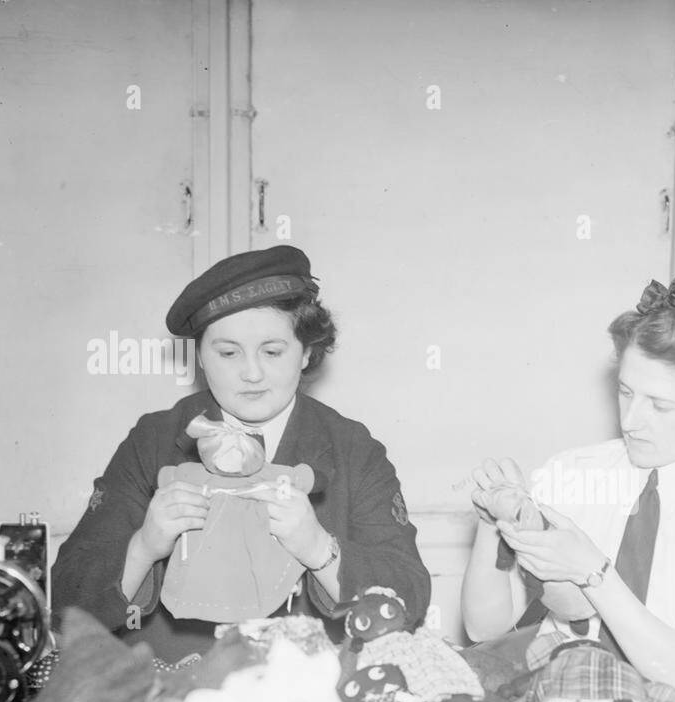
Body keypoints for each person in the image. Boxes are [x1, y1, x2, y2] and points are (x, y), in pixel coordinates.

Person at [53, 246, 430, 662]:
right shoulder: (153, 441)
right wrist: (143, 547)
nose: (251, 373)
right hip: (173, 691)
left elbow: (410, 599)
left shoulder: (354, 450)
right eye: (228, 353)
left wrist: (321, 551)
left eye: (272, 352)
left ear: (306, 352)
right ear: (199, 356)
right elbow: (66, 602)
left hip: (308, 696)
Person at [460, 277, 675, 692]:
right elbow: (484, 629)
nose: (631, 420)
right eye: (626, 392)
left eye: (660, 405)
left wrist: (594, 572)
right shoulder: (572, 472)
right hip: (557, 692)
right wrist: (492, 524)